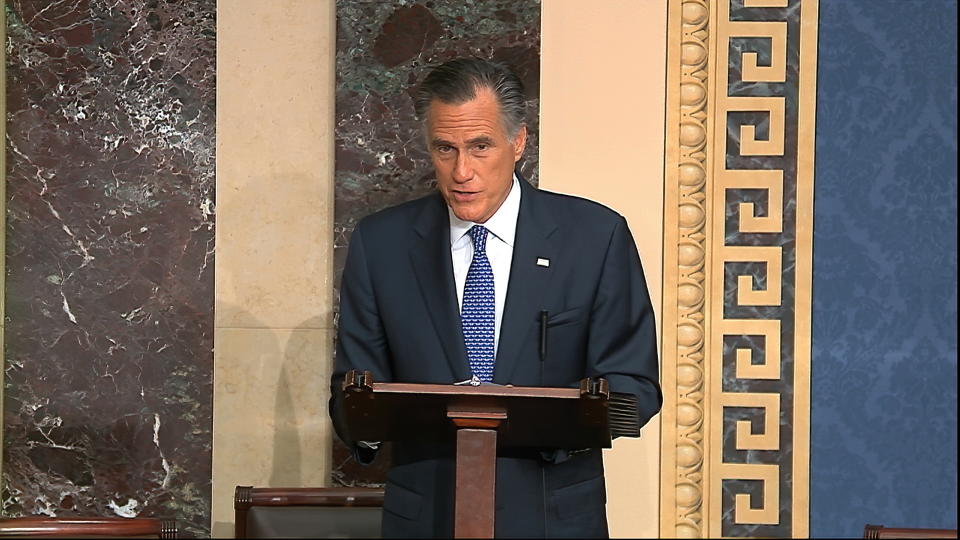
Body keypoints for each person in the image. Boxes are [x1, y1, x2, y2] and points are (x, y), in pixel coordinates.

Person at [329, 57, 661, 538]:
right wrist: (362, 418)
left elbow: (635, 386)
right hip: (425, 518)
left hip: (553, 517)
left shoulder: (595, 238)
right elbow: (352, 395)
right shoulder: (380, 245)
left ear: (518, 141)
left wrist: (554, 421)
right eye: (446, 149)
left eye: (480, 146)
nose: (462, 170)